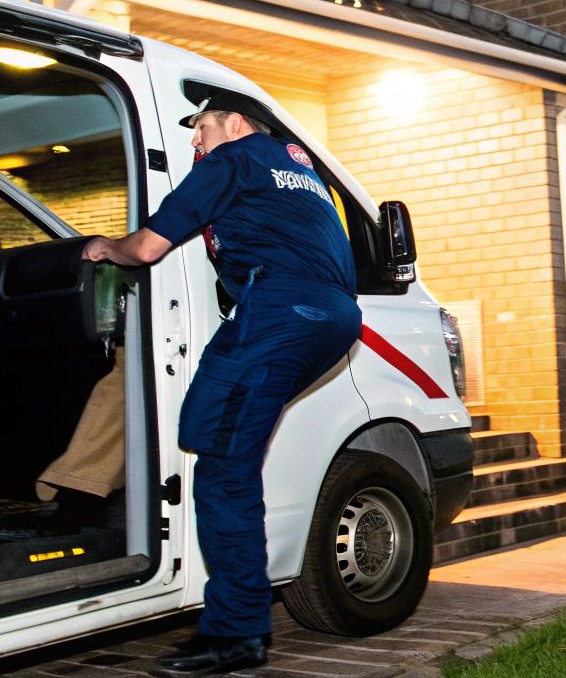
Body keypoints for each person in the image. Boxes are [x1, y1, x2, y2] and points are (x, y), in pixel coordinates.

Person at [81, 93, 360, 675]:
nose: (194, 141)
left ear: (234, 124)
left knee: (222, 465)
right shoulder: (302, 172)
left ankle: (236, 634)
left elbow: (149, 247)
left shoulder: (233, 161)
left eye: (200, 127)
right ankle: (240, 626)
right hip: (335, 318)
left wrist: (109, 247)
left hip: (280, 313)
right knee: (220, 443)